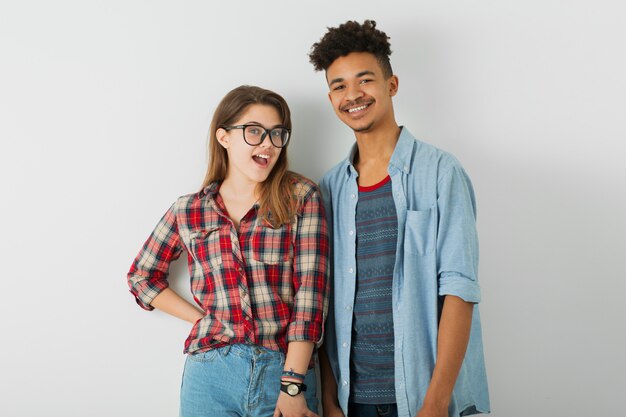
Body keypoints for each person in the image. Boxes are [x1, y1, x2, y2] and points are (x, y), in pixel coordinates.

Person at [308, 21, 490, 417]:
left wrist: (436, 403)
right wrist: (329, 398)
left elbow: (459, 291)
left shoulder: (441, 173)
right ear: (330, 97)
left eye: (365, 80)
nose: (352, 95)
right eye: (339, 86)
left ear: (391, 84)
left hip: (426, 399)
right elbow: (321, 300)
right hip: (352, 401)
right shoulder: (328, 190)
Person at [126, 85, 329, 417]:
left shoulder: (300, 196)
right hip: (210, 375)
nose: (268, 144)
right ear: (224, 137)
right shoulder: (189, 209)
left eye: (277, 134)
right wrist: (203, 320)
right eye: (254, 131)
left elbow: (311, 296)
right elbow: (141, 276)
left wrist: (292, 384)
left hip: (282, 372)